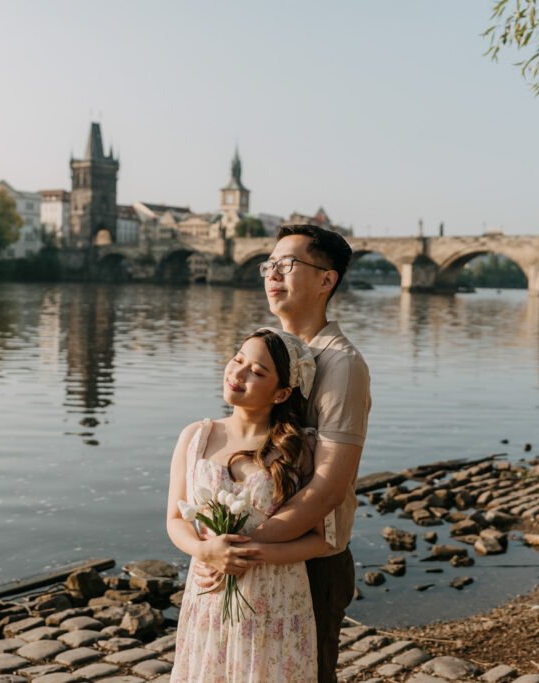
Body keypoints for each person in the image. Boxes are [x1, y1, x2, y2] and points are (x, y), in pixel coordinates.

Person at [196, 224, 371, 683]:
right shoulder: (269, 350)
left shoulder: (342, 364)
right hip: (256, 554)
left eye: (287, 265)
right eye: (268, 265)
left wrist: (244, 547)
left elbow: (329, 486)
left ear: (326, 281)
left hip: (306, 560)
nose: (272, 274)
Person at [166, 328, 333, 682]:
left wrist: (251, 554)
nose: (238, 373)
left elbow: (320, 539)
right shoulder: (196, 436)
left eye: (257, 372)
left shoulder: (297, 448)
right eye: (238, 359)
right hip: (209, 593)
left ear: (283, 392)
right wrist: (204, 549)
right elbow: (175, 519)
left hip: (277, 600)